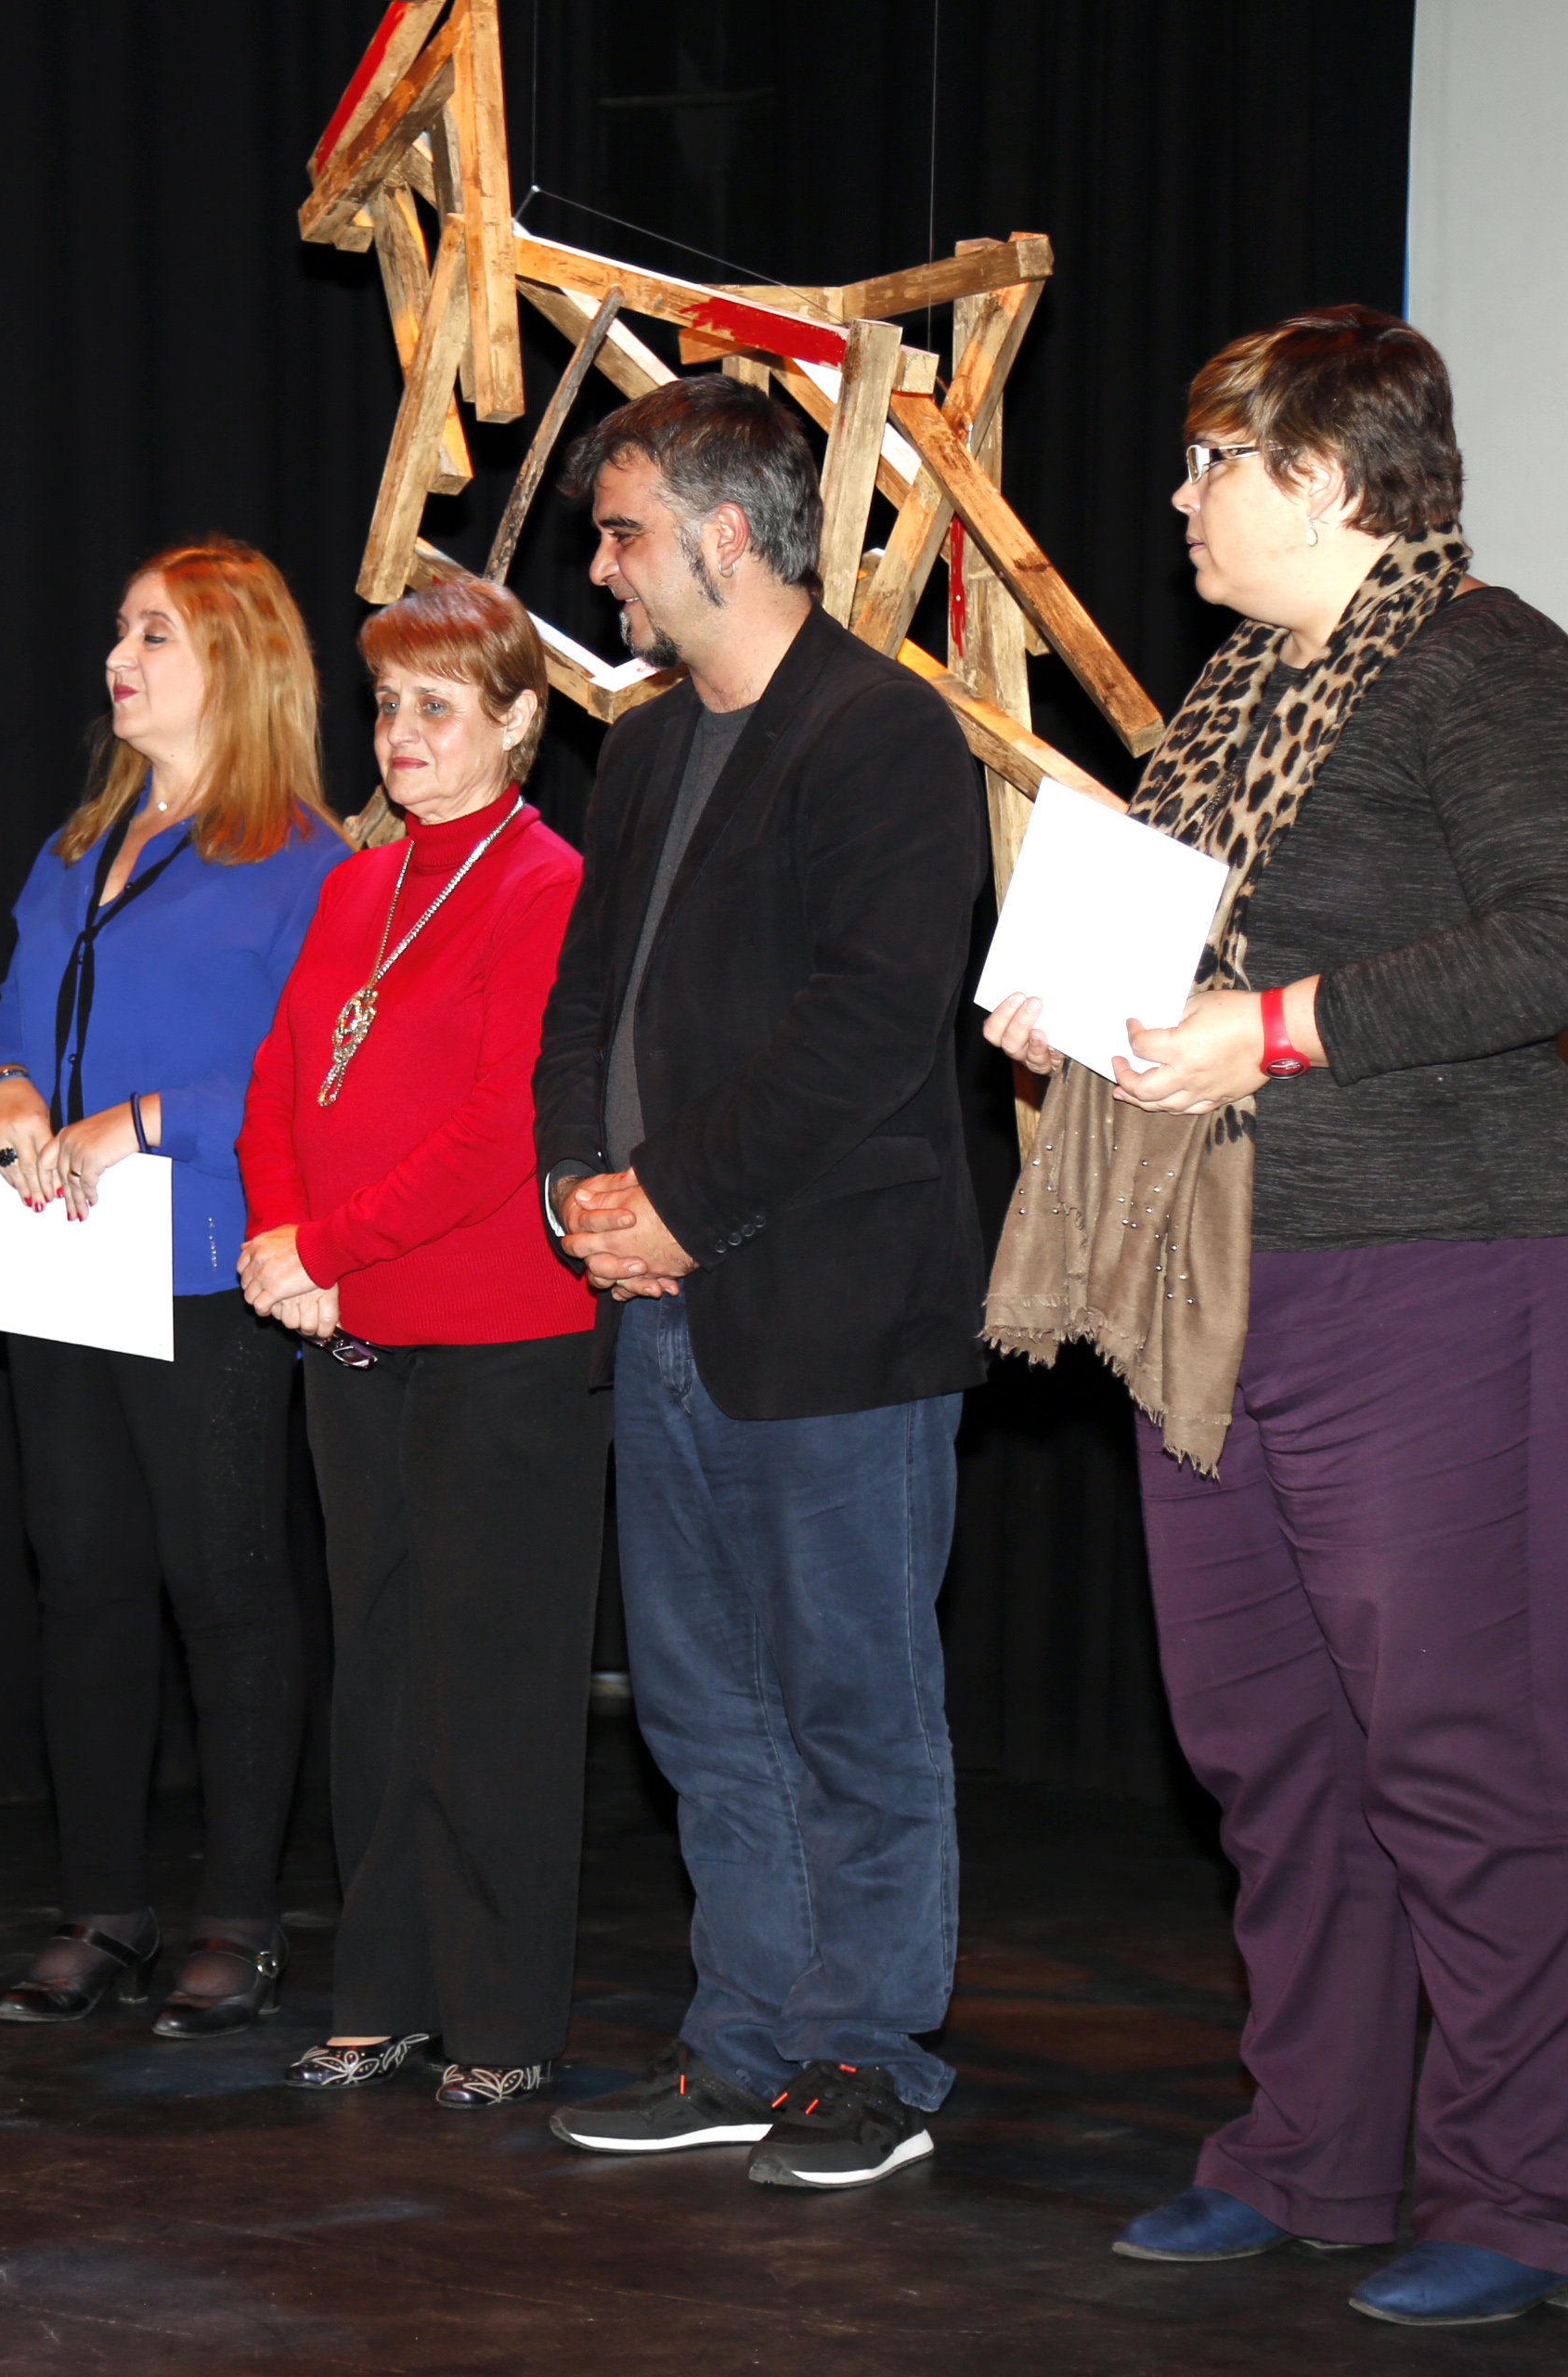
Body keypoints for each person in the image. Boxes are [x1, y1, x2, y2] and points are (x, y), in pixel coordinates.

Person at [981, 306, 1568, 2329]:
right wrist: (1075, 1010)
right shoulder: (1237, 694)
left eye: (1216, 462)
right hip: (1220, 1269)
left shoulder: (1489, 664)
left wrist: (1271, 1028)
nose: (1180, 495)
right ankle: (1312, 2151)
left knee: (1461, 1746)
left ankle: (1525, 2198)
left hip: (1439, 1260)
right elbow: (1179, 957)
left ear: (1331, 481)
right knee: (1270, 1746)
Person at [529, 376, 988, 2189]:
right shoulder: (646, 748)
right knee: (705, 1709)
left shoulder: (883, 733)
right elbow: (587, 1001)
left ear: (728, 534)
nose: (602, 567)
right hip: (656, 1299)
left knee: (851, 1703)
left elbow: (869, 1028)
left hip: (829, 1309)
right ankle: (744, 2046)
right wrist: (577, 1187)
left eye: (623, 532)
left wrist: (676, 1200)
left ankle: (865, 2056)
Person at [0, 536, 346, 2037]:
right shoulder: (77, 847)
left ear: (238, 664)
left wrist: (145, 1121)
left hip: (204, 1266)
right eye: (122, 632)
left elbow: (308, 1075)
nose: (119, 660)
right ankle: (102, 1908)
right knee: (85, 1582)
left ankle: (240, 1916)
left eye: (156, 637)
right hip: (63, 1256)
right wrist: (3, 1090)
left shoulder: (306, 861)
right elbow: (8, 1023)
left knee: (225, 1584)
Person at [237, 577, 601, 2111]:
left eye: (437, 707)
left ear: (517, 723)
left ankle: (502, 2019)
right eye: (386, 703)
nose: (399, 733)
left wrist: (327, 1248)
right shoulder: (356, 884)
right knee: (377, 1680)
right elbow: (280, 1080)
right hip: (354, 1336)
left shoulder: (547, 883)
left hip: (502, 1343)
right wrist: (285, 1246)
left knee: (490, 1688)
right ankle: (380, 1995)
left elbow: (505, 1123)